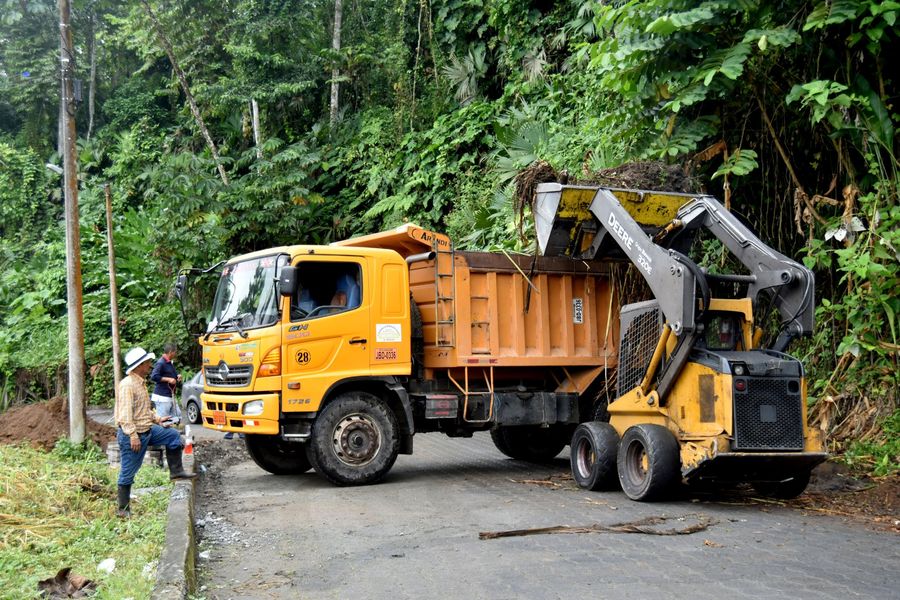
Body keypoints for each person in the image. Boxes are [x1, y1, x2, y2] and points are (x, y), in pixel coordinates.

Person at [115, 347, 197, 518]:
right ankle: (123, 509)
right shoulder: (127, 385)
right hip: (134, 434)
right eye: (147, 363)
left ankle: (176, 471)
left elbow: (143, 410)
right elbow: (124, 415)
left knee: (173, 436)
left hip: (148, 429)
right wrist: (132, 435)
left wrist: (158, 419)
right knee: (128, 472)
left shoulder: (140, 383)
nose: (150, 365)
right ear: (139, 365)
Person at [149, 342, 181, 424]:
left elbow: (171, 375)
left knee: (177, 418)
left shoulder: (169, 362)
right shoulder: (161, 363)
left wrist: (177, 376)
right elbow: (154, 376)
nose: (176, 354)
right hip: (162, 397)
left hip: (170, 396)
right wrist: (168, 379)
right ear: (170, 352)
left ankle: (174, 431)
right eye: (175, 352)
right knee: (163, 421)